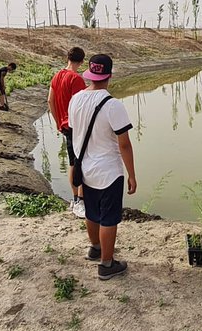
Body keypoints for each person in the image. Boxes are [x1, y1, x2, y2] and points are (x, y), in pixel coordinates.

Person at [68, 54, 137, 280]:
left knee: (92, 211)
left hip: (85, 168)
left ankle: (95, 248)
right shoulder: (113, 105)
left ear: (90, 74)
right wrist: (132, 175)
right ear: (109, 75)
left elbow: (74, 130)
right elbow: (124, 144)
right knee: (109, 217)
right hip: (109, 171)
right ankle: (107, 264)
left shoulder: (75, 99)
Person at [48, 47, 88, 218]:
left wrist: (58, 122)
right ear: (82, 61)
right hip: (76, 126)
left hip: (65, 126)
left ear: (68, 58)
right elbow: (80, 106)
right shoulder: (76, 79)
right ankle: (80, 200)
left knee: (73, 162)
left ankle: (75, 198)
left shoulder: (57, 76)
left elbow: (50, 101)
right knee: (81, 163)